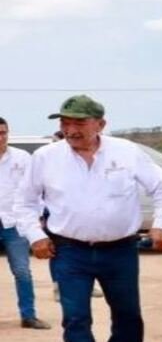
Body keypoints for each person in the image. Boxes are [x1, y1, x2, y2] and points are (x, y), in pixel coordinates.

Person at [14, 95, 162, 342]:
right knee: (76, 317)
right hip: (69, 252)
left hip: (121, 251)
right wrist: (35, 236)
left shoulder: (127, 152)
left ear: (100, 124)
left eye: (79, 122)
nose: (71, 130)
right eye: (65, 123)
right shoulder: (46, 157)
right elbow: (25, 203)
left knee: (128, 314)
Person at [0, 116, 51, 329]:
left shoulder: (22, 158)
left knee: (22, 270)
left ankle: (28, 315)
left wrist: (37, 217)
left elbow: (35, 190)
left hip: (15, 223)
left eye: (4, 133)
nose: (1, 137)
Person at [47, 130, 104, 303]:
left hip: (84, 216)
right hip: (56, 215)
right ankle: (58, 285)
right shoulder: (50, 159)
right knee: (58, 253)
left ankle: (88, 284)